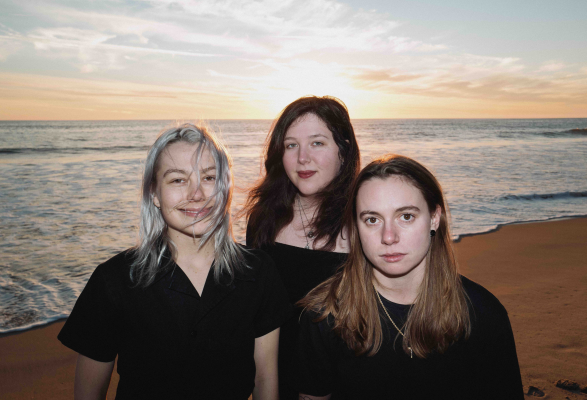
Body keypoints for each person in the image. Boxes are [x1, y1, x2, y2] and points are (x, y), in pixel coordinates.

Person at [58, 123, 290, 400]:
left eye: (209, 177)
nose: (197, 194)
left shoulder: (258, 272)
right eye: (178, 180)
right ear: (154, 194)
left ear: (225, 187)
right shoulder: (114, 280)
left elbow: (264, 379)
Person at [297, 154, 524, 400]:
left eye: (406, 216)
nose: (389, 237)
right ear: (356, 227)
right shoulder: (325, 315)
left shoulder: (483, 314)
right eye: (372, 220)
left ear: (434, 218)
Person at [244, 96, 361, 398]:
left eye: (317, 143)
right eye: (291, 145)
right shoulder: (264, 219)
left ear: (344, 150)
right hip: (274, 379)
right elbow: (256, 314)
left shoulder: (365, 223)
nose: (302, 158)